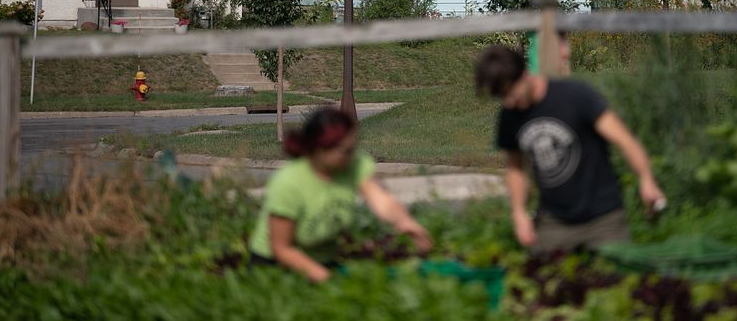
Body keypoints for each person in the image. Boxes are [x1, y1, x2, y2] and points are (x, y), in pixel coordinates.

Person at [476, 44, 665, 253]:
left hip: (603, 217)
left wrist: (646, 179)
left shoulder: (575, 95)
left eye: (511, 92)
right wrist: (519, 212)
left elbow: (625, 140)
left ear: (525, 73)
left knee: (617, 278)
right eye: (502, 97)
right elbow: (515, 168)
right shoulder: (509, 116)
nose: (509, 102)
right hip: (555, 220)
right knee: (541, 279)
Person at [248, 107, 432, 281]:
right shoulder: (289, 182)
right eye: (345, 151)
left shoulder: (354, 163)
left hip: (325, 259)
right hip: (274, 268)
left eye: (354, 147)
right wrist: (325, 278)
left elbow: (381, 200)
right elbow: (282, 248)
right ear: (319, 149)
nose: (353, 155)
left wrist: (405, 222)